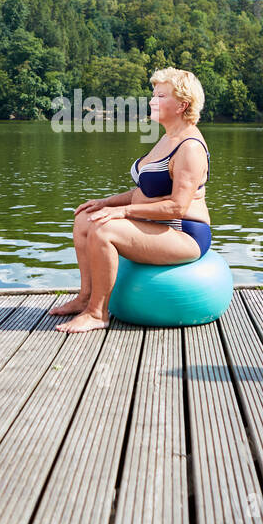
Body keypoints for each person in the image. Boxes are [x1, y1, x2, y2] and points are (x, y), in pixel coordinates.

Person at [51, 68, 212, 333]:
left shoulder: (190, 148)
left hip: (185, 234)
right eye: (153, 94)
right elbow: (144, 192)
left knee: (105, 229)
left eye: (160, 95)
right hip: (159, 225)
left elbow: (177, 207)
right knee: (85, 219)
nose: (152, 100)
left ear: (182, 105)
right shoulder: (167, 138)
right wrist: (106, 203)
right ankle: (84, 298)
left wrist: (123, 213)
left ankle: (97, 313)